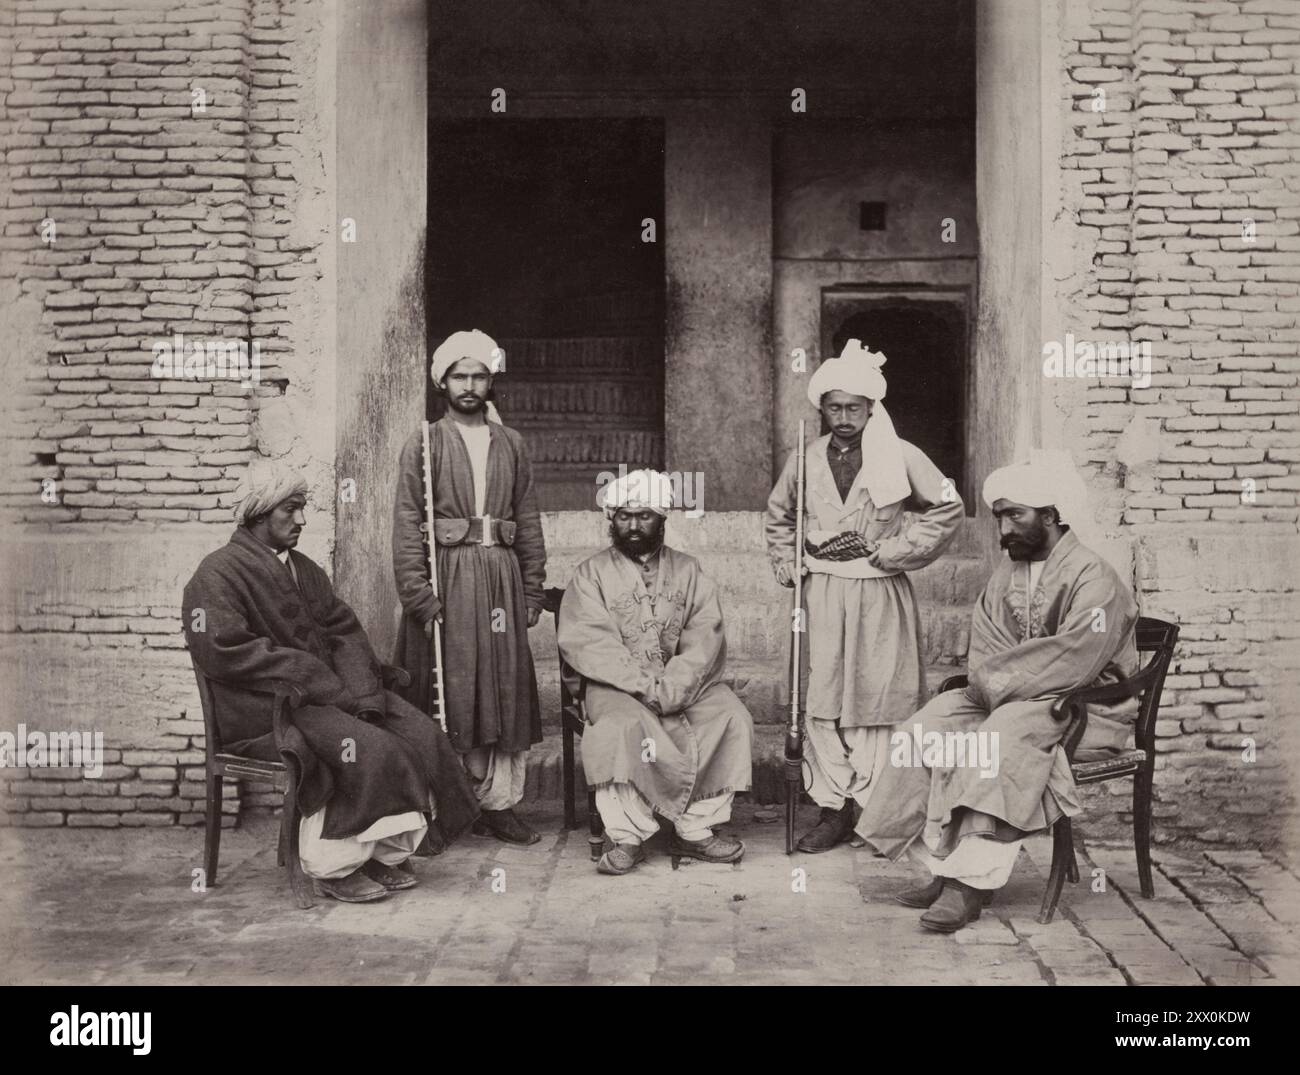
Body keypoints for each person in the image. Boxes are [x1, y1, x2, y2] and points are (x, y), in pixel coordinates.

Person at [856, 455, 1140, 932]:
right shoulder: (1008, 574)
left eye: (1015, 515)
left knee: (998, 741)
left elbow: (1075, 658)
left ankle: (969, 886)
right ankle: (942, 867)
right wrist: (998, 688)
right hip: (1006, 699)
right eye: (999, 517)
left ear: (1050, 516)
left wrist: (1002, 689)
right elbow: (985, 648)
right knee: (926, 727)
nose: (1003, 527)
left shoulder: (1096, 579)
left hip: (1084, 709)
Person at [182, 460, 478, 903]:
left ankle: (384, 853)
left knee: (421, 734)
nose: (301, 519)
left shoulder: (303, 568)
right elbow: (223, 651)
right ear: (258, 514)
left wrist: (360, 690)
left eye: (302, 508)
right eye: (291, 509)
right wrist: (310, 676)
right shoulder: (217, 574)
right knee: (368, 748)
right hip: (265, 711)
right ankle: (333, 868)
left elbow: (342, 629)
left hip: (325, 698)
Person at [765, 340, 964, 853]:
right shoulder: (805, 457)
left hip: (878, 594)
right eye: (834, 407)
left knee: (876, 700)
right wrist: (786, 560)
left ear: (872, 407)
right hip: (821, 593)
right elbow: (780, 516)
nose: (844, 417)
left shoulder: (900, 454)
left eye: (854, 407)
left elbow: (948, 507)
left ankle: (876, 810)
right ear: (821, 409)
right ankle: (832, 809)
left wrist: (897, 550)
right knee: (822, 699)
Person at [557, 469, 754, 876]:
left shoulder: (689, 570)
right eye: (624, 516)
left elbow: (706, 634)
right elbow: (589, 641)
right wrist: (644, 686)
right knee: (618, 727)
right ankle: (628, 836)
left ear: (662, 519)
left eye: (644, 515)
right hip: (616, 684)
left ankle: (695, 829)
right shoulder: (590, 573)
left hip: (683, 683)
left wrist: (675, 686)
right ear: (611, 520)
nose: (633, 525)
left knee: (730, 717)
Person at [392, 329, 547, 845]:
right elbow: (407, 520)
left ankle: (497, 804)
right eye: (460, 375)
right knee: (448, 689)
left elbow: (527, 517)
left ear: (491, 381)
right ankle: (440, 806)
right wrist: (418, 593)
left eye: (479, 375)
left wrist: (531, 589)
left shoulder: (512, 444)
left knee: (500, 689)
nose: (469, 384)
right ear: (443, 382)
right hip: (448, 578)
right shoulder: (424, 441)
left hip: (500, 578)